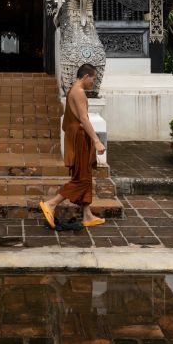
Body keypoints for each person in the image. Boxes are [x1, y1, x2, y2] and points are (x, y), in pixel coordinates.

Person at [39, 63, 107, 229]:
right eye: (93, 78)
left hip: (79, 137)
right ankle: (51, 204)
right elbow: (84, 119)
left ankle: (87, 215)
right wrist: (97, 141)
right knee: (81, 179)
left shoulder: (73, 90)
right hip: (81, 139)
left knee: (85, 175)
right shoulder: (78, 92)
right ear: (85, 77)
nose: (94, 82)